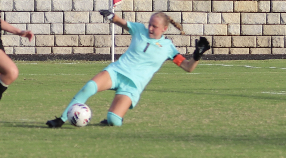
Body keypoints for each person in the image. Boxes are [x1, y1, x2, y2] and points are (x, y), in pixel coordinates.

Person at [46, 10, 210, 128]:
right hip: (117, 72)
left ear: (164, 29)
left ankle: (115, 117)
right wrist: (111, 16)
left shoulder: (168, 48)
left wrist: (197, 54)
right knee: (89, 86)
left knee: (113, 121)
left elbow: (188, 67)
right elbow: (121, 22)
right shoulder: (139, 29)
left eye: (154, 26)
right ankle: (61, 119)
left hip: (133, 85)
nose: (150, 29)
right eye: (149, 25)